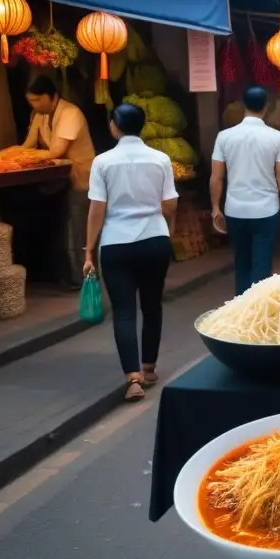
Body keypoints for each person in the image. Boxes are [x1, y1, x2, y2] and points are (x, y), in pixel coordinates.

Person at [83, 104, 178, 402]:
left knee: (123, 311)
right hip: (155, 240)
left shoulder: (103, 162)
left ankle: (133, 379)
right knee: (152, 306)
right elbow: (171, 204)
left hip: (116, 243)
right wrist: (164, 228)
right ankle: (149, 368)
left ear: (114, 126)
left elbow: (97, 209)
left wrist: (88, 251)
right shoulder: (161, 159)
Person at [211, 86, 280, 295]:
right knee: (261, 266)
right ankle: (258, 317)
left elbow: (216, 176)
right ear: (267, 107)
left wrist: (215, 208)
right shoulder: (276, 138)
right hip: (266, 211)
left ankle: (242, 314)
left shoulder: (224, 137)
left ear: (243, 106)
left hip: (235, 210)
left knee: (242, 264)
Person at [19, 77, 96, 287]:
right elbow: (27, 145)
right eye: (31, 101)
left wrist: (24, 157)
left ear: (52, 96)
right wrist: (4, 156)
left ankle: (83, 279)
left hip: (82, 179)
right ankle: (62, 276)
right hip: (59, 180)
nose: (33, 105)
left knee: (76, 230)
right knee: (58, 227)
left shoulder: (70, 113)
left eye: (37, 99)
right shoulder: (40, 115)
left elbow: (56, 151)